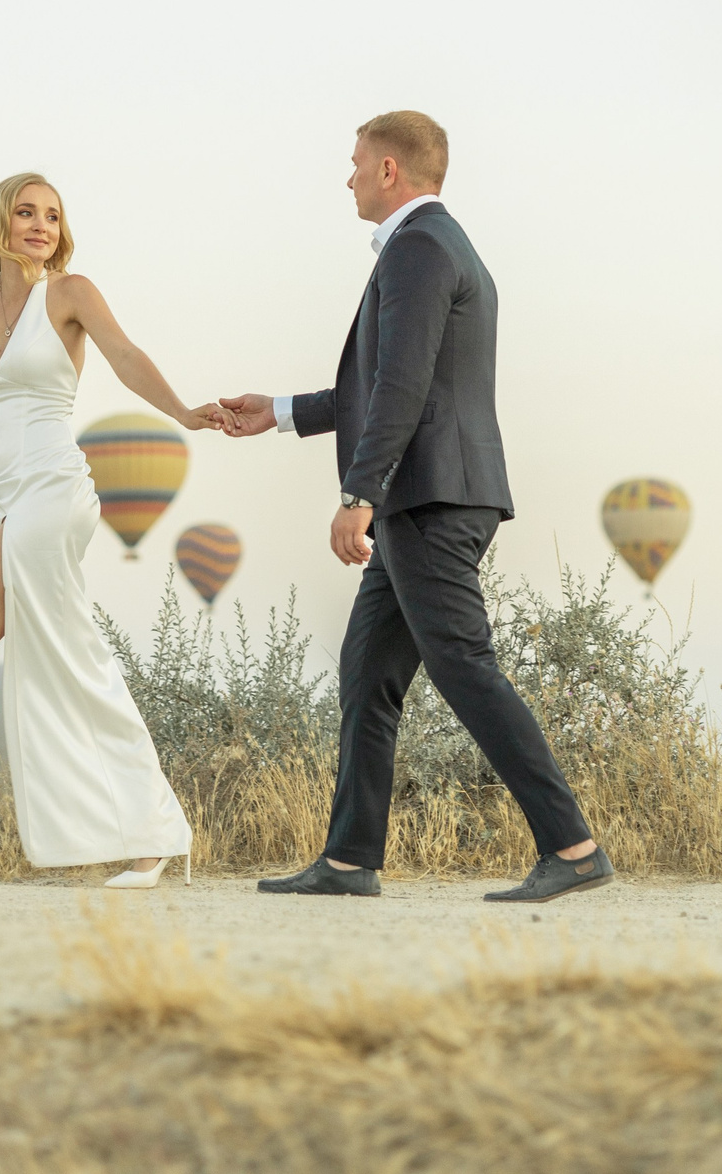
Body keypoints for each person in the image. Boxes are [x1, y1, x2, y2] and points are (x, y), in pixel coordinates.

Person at [222, 112, 612, 903]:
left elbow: (402, 390)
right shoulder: (432, 247)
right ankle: (348, 860)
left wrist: (358, 494)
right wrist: (281, 410)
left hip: (428, 499)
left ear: (391, 170)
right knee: (369, 676)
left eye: (357, 161)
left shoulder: (421, 250)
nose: (349, 176)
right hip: (425, 497)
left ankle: (572, 845)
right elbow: (385, 382)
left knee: (464, 667)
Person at [0, 172, 227, 888]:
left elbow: (126, 356)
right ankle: (145, 832)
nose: (40, 225)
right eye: (25, 212)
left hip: (54, 486)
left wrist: (183, 412)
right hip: (7, 492)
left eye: (52, 215)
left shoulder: (69, 294)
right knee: (21, 653)